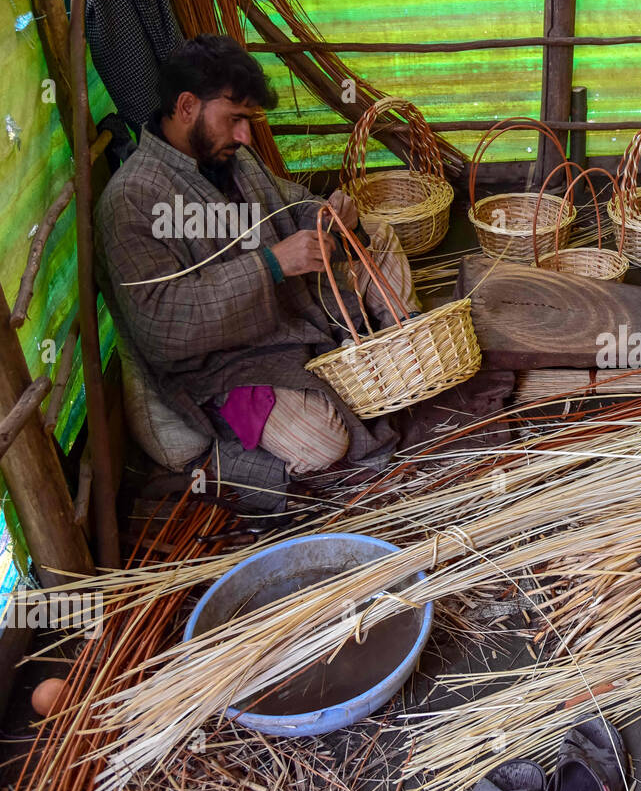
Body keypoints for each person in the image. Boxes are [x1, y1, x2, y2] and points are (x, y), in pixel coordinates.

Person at [95, 34, 417, 504]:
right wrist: (271, 264)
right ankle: (221, 462)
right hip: (226, 367)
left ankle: (403, 343)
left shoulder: (230, 158)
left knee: (377, 232)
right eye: (236, 120)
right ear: (187, 106)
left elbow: (290, 203)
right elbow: (162, 327)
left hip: (286, 315)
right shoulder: (132, 200)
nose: (246, 136)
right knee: (324, 441)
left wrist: (326, 215)